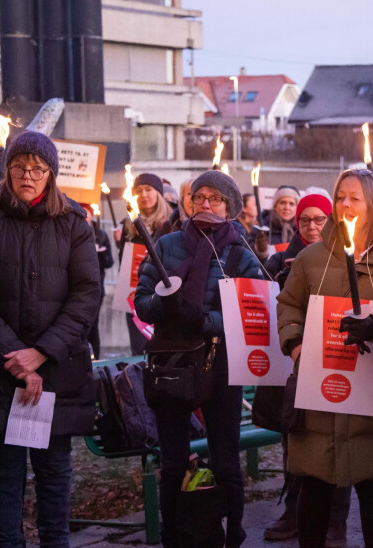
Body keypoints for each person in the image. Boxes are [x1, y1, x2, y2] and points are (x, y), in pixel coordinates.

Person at [0, 131, 101, 547]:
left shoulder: (72, 222)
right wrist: (14, 357)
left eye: (37, 168)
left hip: (56, 369)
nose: (27, 175)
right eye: (19, 167)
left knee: (53, 472)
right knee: (2, 472)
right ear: (7, 172)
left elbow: (87, 295)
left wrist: (42, 353)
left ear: (51, 173)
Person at [277, 168, 373, 548]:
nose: (343, 203)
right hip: (319, 392)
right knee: (315, 486)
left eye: (353, 197)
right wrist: (294, 344)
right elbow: (289, 305)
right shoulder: (313, 258)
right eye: (340, 195)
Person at [135, 170, 261, 547]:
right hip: (172, 364)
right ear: (189, 203)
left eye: (216, 199)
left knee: (225, 463)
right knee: (173, 463)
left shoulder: (240, 252)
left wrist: (205, 321)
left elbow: (252, 310)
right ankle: (173, 536)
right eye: (199, 197)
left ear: (230, 208)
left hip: (220, 365)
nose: (206, 204)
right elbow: (141, 302)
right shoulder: (168, 243)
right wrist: (164, 304)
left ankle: (230, 535)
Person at [262, 192, 353, 547]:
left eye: (319, 219)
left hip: (335, 359)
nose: (312, 226)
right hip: (294, 361)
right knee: (295, 436)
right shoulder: (280, 259)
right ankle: (294, 509)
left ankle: (336, 519)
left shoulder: (342, 255)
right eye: (305, 220)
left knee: (337, 436)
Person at [115, 172, 172, 355]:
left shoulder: (170, 223)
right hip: (135, 294)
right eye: (139, 191)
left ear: (159, 194)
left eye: (149, 189)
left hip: (161, 294)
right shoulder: (128, 225)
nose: (144, 194)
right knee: (139, 350)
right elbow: (123, 260)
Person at [83, 205, 114, 359]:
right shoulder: (71, 231)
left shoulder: (100, 234)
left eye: (86, 213)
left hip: (96, 287)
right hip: (77, 286)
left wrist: (98, 254)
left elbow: (109, 262)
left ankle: (95, 357)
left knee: (92, 325)